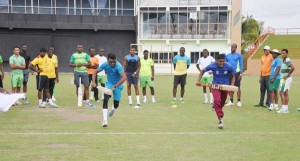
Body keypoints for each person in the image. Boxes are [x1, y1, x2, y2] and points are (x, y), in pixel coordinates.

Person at [196, 54, 234, 129]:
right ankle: (220, 120)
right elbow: (202, 71)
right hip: (215, 86)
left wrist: (231, 85)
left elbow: (233, 76)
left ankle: (216, 107)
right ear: (216, 60)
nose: (222, 63)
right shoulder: (212, 65)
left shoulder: (228, 66)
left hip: (224, 87)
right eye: (220, 61)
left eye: (223, 61)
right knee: (217, 101)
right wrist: (198, 81)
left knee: (221, 103)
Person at [92, 53, 127, 127]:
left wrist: (116, 85)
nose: (112, 63)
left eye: (113, 61)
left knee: (116, 104)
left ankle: (113, 109)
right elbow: (95, 71)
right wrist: (94, 82)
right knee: (105, 99)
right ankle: (105, 121)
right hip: (109, 84)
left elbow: (124, 78)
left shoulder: (119, 66)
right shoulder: (105, 64)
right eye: (110, 62)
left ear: (115, 60)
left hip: (118, 85)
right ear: (108, 60)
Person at [277, 49, 295, 114]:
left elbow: (293, 67)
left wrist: (287, 76)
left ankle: (283, 108)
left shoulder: (287, 59)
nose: (282, 54)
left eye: (284, 53)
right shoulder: (284, 60)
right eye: (281, 53)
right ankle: (286, 109)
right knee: (285, 93)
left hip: (285, 79)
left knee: (281, 92)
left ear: (287, 54)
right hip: (286, 78)